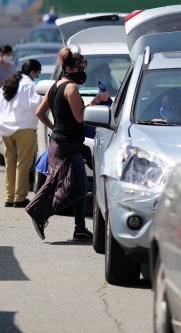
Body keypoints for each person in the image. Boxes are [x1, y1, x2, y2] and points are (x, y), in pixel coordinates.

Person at [25, 47, 109, 241]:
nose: (83, 73)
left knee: (70, 184)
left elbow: (39, 113)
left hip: (61, 142)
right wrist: (96, 101)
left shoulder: (55, 86)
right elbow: (80, 118)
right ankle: (39, 212)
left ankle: (78, 228)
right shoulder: (71, 89)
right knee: (78, 189)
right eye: (81, 68)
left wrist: (54, 127)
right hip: (67, 145)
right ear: (71, 69)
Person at [0, 59, 42, 208]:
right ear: (33, 72)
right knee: (23, 164)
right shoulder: (30, 84)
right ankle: (19, 198)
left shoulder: (9, 82)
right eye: (37, 74)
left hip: (5, 128)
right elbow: (36, 104)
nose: (37, 77)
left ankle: (8, 197)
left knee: (10, 163)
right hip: (24, 128)